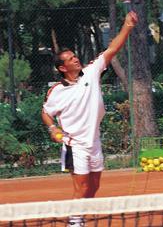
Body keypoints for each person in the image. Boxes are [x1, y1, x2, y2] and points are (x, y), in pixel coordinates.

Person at [42, 11, 138, 226]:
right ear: (62, 68)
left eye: (75, 56)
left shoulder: (91, 72)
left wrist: (127, 26)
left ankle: (78, 216)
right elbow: (46, 113)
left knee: (94, 187)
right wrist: (53, 130)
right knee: (82, 187)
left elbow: (112, 49)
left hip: (94, 142)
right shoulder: (57, 91)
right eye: (70, 59)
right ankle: (75, 222)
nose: (76, 59)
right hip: (74, 145)